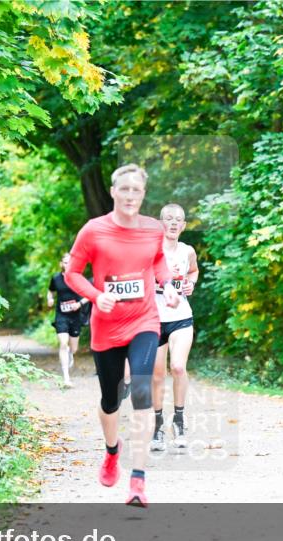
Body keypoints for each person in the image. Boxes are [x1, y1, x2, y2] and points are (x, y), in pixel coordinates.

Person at [64, 164, 180, 507]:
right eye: (125, 189)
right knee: (110, 401)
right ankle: (112, 451)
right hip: (107, 326)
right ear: (113, 192)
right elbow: (73, 274)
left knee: (142, 392)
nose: (130, 195)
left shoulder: (153, 229)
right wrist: (96, 295)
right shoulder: (93, 231)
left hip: (144, 320)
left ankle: (138, 480)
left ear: (143, 194)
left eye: (137, 190)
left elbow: (158, 261)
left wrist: (168, 285)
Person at [150, 203, 199, 451]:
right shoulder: (151, 250)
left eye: (178, 219)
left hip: (181, 317)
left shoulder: (187, 250)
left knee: (178, 367)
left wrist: (190, 284)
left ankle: (179, 420)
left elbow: (194, 271)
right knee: (157, 375)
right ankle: (158, 425)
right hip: (154, 318)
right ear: (161, 223)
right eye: (168, 218)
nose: (173, 223)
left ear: (184, 225)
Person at [46, 252, 89, 387]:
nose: (68, 264)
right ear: (61, 264)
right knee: (63, 343)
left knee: (74, 348)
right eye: (66, 262)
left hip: (75, 316)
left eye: (70, 262)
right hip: (61, 315)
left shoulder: (79, 278)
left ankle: (71, 354)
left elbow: (89, 294)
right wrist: (50, 299)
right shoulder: (56, 278)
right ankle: (66, 378)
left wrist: (79, 304)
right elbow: (50, 291)